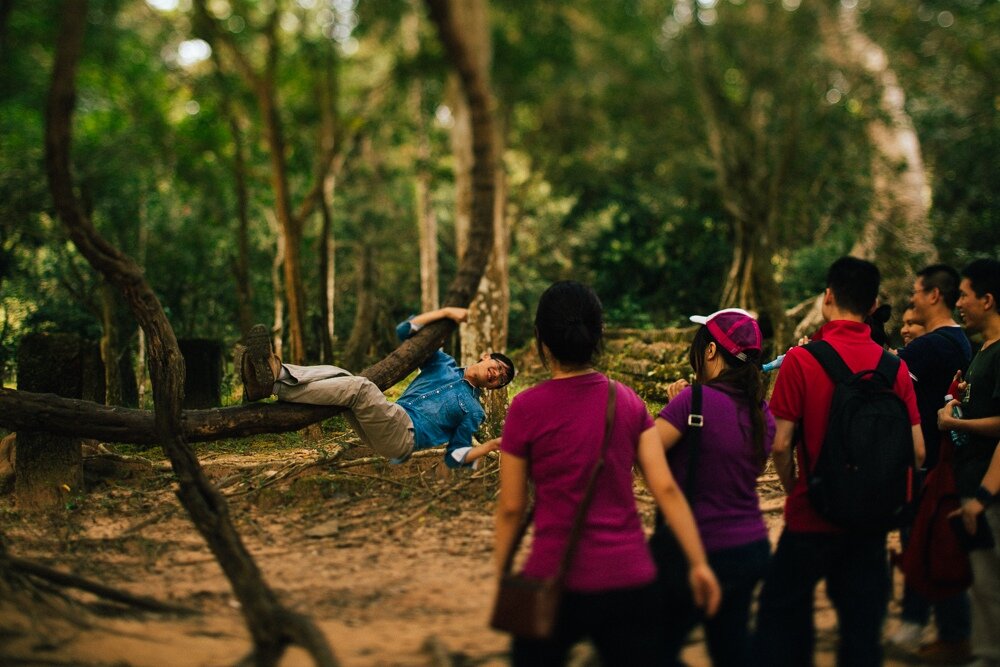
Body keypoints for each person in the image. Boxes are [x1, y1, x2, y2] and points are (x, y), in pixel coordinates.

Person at [494, 281, 720, 666]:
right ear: (599, 335)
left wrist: (503, 575)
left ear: (540, 340)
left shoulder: (525, 409)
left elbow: (512, 508)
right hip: (629, 578)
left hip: (552, 578)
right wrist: (699, 564)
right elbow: (664, 487)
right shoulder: (626, 400)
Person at [752, 256, 925, 667]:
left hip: (812, 514)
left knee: (780, 623)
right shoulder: (893, 366)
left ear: (827, 298)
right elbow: (917, 451)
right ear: (871, 307)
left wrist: (796, 486)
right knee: (862, 635)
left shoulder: (801, 360)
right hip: (870, 521)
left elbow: (780, 444)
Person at [239, 307, 515, 468]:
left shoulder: (474, 410)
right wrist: (445, 312)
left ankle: (271, 383)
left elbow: (456, 457)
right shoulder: (442, 364)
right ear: (486, 356)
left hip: (403, 437)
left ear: (494, 387)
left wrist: (490, 444)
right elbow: (405, 332)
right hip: (387, 421)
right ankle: (272, 379)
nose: (497, 375)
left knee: (360, 387)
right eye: (499, 367)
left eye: (502, 379)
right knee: (342, 376)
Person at [653, 308, 775, 666]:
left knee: (648, 647)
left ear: (709, 351)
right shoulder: (761, 413)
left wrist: (675, 405)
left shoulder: (693, 402)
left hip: (697, 551)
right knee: (731, 648)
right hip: (750, 548)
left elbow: (643, 451)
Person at [888, 264, 973, 662]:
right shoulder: (961, 342)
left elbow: (881, 371)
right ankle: (921, 626)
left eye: (916, 293)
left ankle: (946, 632)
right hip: (948, 458)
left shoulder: (930, 347)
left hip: (926, 461)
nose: (912, 300)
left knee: (922, 543)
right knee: (931, 542)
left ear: (934, 296)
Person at [937, 258, 1000, 667]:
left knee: (991, 588)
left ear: (988, 299)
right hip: (976, 487)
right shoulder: (984, 352)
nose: (957, 302)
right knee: (982, 586)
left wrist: (982, 495)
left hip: (989, 495)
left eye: (963, 294)